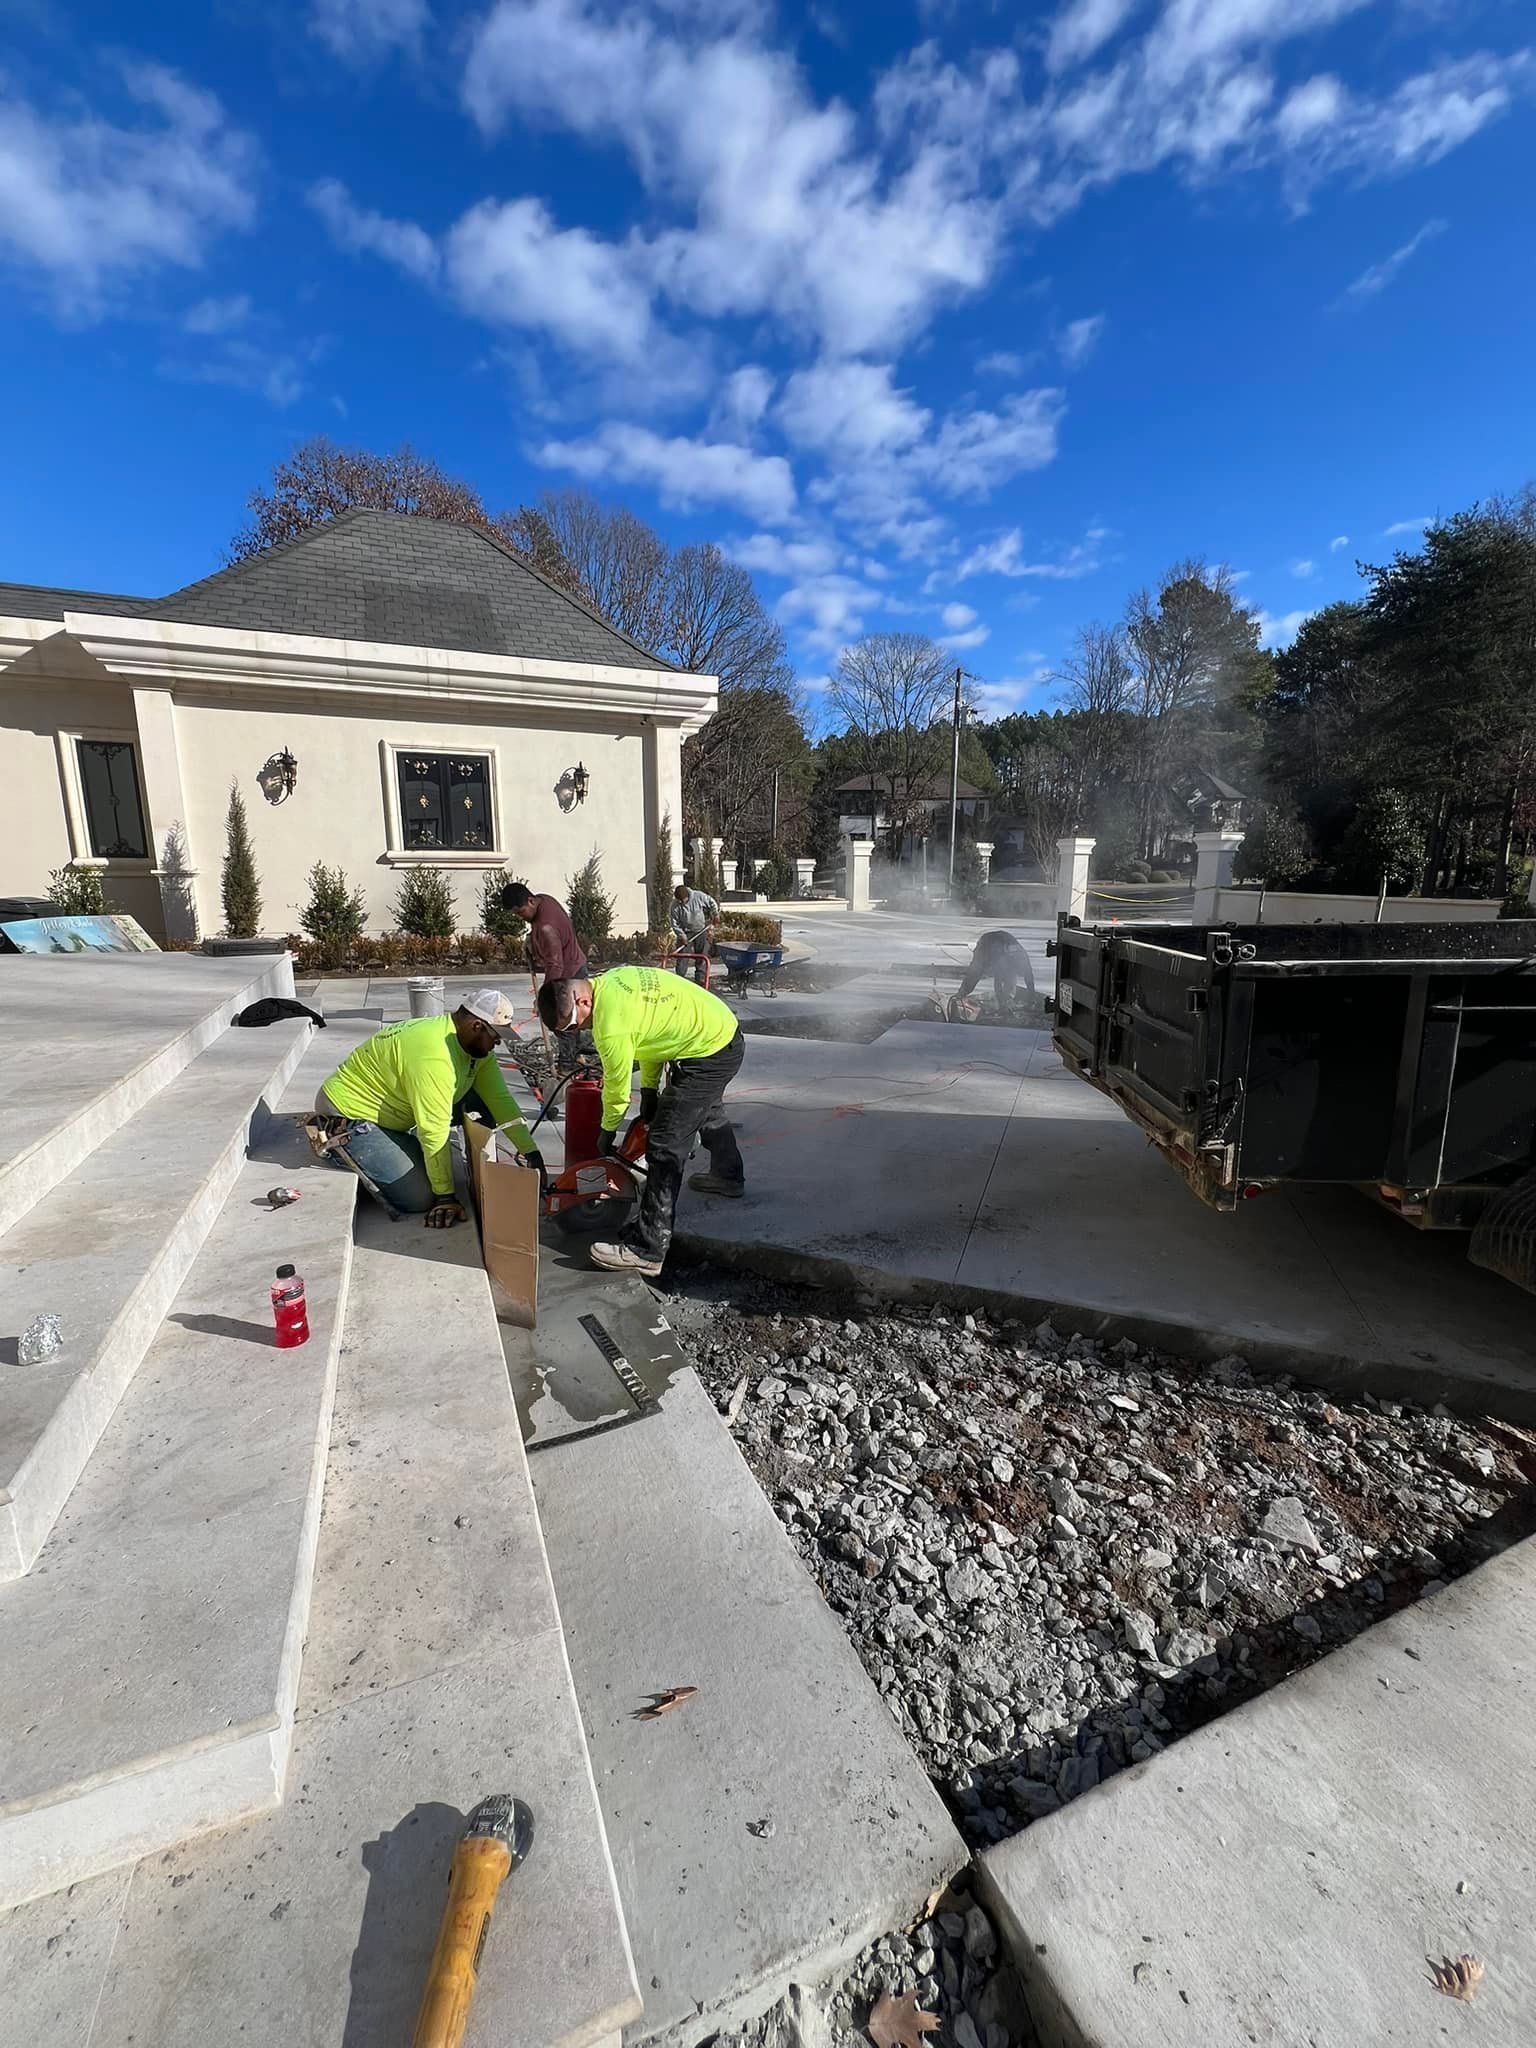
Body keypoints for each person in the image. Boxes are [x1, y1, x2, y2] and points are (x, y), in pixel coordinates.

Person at [537, 966, 744, 1275]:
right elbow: (651, 1035)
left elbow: (617, 1091)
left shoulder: (609, 1024)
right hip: (719, 1035)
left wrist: (606, 1130)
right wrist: (649, 1088)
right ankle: (728, 1177)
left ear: (583, 1001)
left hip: (709, 1051)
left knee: (664, 1143)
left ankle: (648, 1248)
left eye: (573, 1026)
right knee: (706, 1109)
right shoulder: (613, 982)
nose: (577, 1032)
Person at [315, 990, 544, 1226]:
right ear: (477, 1026)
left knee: (483, 1101)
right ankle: (344, 1149)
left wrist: (531, 1153)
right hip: (349, 1113)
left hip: (395, 1111)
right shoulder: (433, 1055)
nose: (497, 1044)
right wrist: (445, 1196)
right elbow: (434, 1128)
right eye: (495, 1037)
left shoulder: (474, 1047)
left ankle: (407, 1148)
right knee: (419, 1198)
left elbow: (500, 1100)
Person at [503, 879, 587, 986]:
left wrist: (545, 995)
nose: (520, 917)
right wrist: (532, 939)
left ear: (531, 901)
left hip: (570, 978)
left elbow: (555, 966)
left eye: (521, 912)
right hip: (576, 966)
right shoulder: (543, 899)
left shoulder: (546, 927)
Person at [950, 929, 1036, 1019]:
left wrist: (1031, 999)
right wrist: (1002, 1005)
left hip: (1003, 943)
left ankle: (1008, 998)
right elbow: (998, 982)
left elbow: (1029, 978)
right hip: (987, 943)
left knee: (1009, 977)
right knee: (975, 971)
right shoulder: (1001, 960)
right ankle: (961, 994)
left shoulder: (1023, 960)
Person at [669, 882, 719, 982]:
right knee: (682, 956)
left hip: (700, 930)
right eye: (680, 901)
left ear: (688, 896)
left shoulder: (698, 896)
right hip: (685, 932)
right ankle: (680, 979)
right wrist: (681, 935)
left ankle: (700, 979)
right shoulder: (675, 906)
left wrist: (715, 914)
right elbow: (674, 923)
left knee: (701, 955)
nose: (682, 903)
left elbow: (711, 902)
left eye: (684, 901)